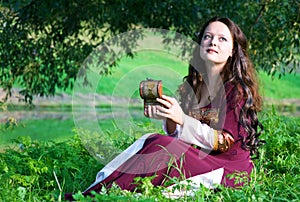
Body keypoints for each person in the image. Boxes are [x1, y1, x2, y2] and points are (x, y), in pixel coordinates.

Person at [65, 16, 264, 200]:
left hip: (226, 167)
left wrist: (183, 119)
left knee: (163, 145)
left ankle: (103, 196)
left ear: (232, 51)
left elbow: (224, 142)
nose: (213, 42)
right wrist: (169, 115)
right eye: (208, 36)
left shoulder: (236, 90)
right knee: (154, 140)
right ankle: (101, 192)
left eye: (222, 39)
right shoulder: (195, 86)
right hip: (199, 157)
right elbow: (180, 135)